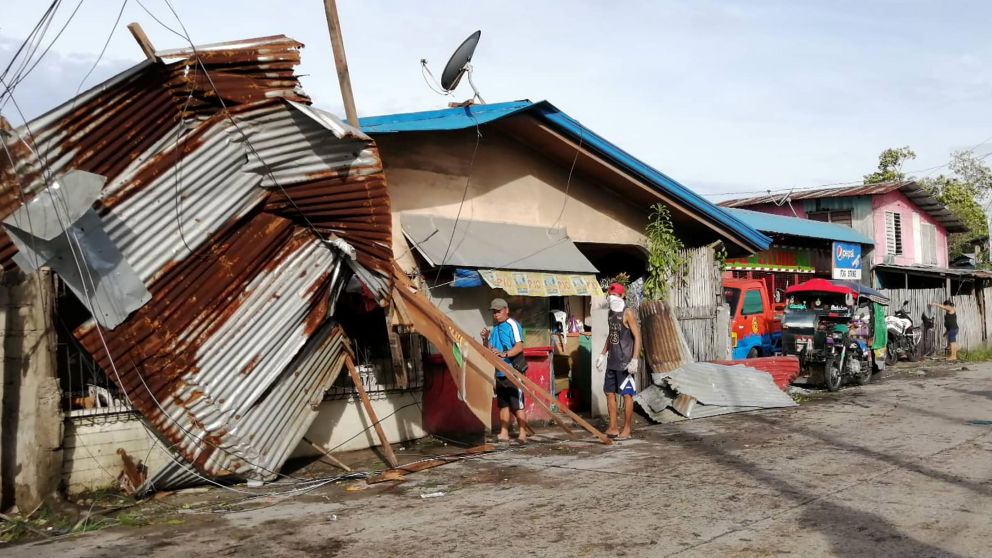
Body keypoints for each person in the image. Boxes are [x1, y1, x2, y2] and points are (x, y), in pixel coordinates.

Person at [595, 283, 641, 440]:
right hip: (612, 360)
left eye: (615, 295)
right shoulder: (610, 313)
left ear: (622, 296)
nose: (612, 297)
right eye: (610, 295)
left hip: (625, 362)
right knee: (609, 393)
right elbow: (611, 334)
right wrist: (602, 354)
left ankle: (627, 429)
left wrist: (634, 359)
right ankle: (613, 427)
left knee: (627, 395)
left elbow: (637, 336)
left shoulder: (627, 313)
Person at [480, 298, 530, 443]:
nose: (496, 314)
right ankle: (504, 432)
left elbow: (519, 347)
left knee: (518, 404)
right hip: (500, 372)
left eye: (498, 311)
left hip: (513, 371)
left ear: (506, 310)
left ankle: (522, 433)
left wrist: (505, 354)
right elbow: (490, 351)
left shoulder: (513, 325)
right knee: (503, 404)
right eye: (494, 312)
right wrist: (485, 339)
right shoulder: (495, 329)